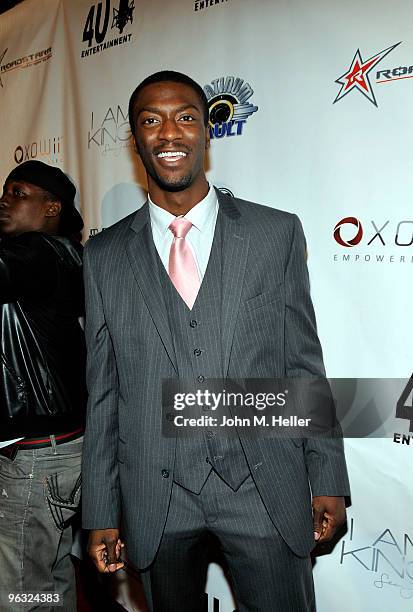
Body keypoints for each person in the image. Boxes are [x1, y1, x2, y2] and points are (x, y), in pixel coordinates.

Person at [82, 70, 350, 611]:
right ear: (136, 140)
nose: (169, 133)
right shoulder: (104, 255)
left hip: (262, 484)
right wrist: (102, 512)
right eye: (150, 121)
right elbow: (104, 392)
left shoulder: (274, 233)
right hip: (157, 494)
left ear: (208, 130)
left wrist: (327, 475)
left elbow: (301, 362)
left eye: (185, 117)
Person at [0, 160, 87, 612]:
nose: (5, 200)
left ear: (52, 207)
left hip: (33, 455)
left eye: (19, 193)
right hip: (62, 447)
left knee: (19, 592)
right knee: (50, 578)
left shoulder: (33, 253)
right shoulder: (66, 252)